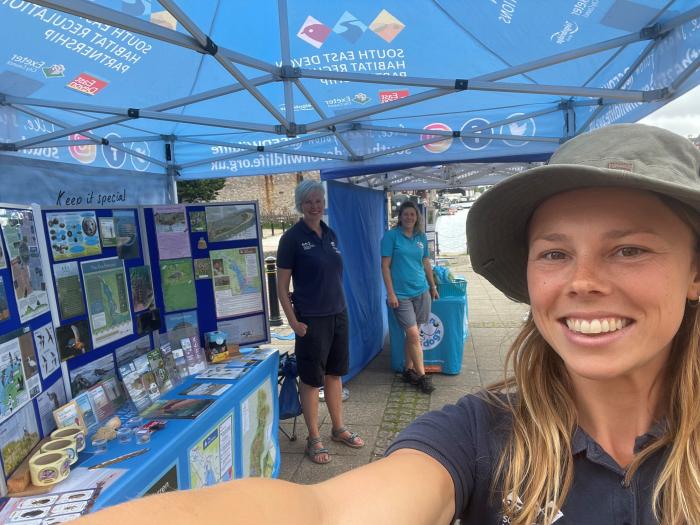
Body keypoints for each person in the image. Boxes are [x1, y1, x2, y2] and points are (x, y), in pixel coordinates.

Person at [76, 123, 700, 524]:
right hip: (316, 318)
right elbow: (319, 512)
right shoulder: (481, 435)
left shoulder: (340, 235)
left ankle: (344, 425)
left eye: (630, 249)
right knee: (332, 371)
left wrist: (423, 283)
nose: (582, 281)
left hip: (349, 312)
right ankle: (327, 431)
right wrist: (291, 317)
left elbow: (417, 263)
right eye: (555, 253)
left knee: (346, 372)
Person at [274, 180, 363, 464]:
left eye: (318, 200)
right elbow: (281, 287)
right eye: (309, 201)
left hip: (338, 314)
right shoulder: (291, 238)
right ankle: (314, 437)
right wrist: (293, 323)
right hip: (310, 320)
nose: (315, 206)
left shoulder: (330, 234)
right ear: (301, 205)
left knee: (335, 374)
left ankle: (338, 428)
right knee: (312, 380)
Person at [381, 200, 439, 393]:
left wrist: (432, 286)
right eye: (405, 214)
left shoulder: (420, 237)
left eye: (412, 215)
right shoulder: (391, 237)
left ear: (417, 217)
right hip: (401, 295)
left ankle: (408, 370)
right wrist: (390, 293)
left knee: (414, 335)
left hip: (421, 291)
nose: (409, 217)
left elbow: (426, 263)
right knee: (414, 335)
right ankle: (422, 377)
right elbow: (385, 266)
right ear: (400, 217)